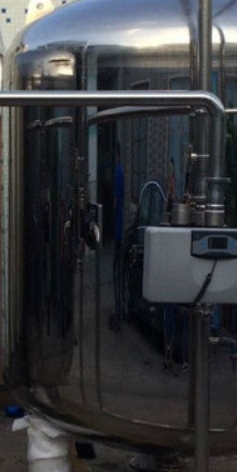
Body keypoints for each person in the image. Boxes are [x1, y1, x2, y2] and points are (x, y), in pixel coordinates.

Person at [111, 141, 125, 330]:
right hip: (121, 224)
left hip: (119, 225)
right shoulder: (121, 170)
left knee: (117, 265)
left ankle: (119, 306)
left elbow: (115, 199)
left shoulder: (118, 171)